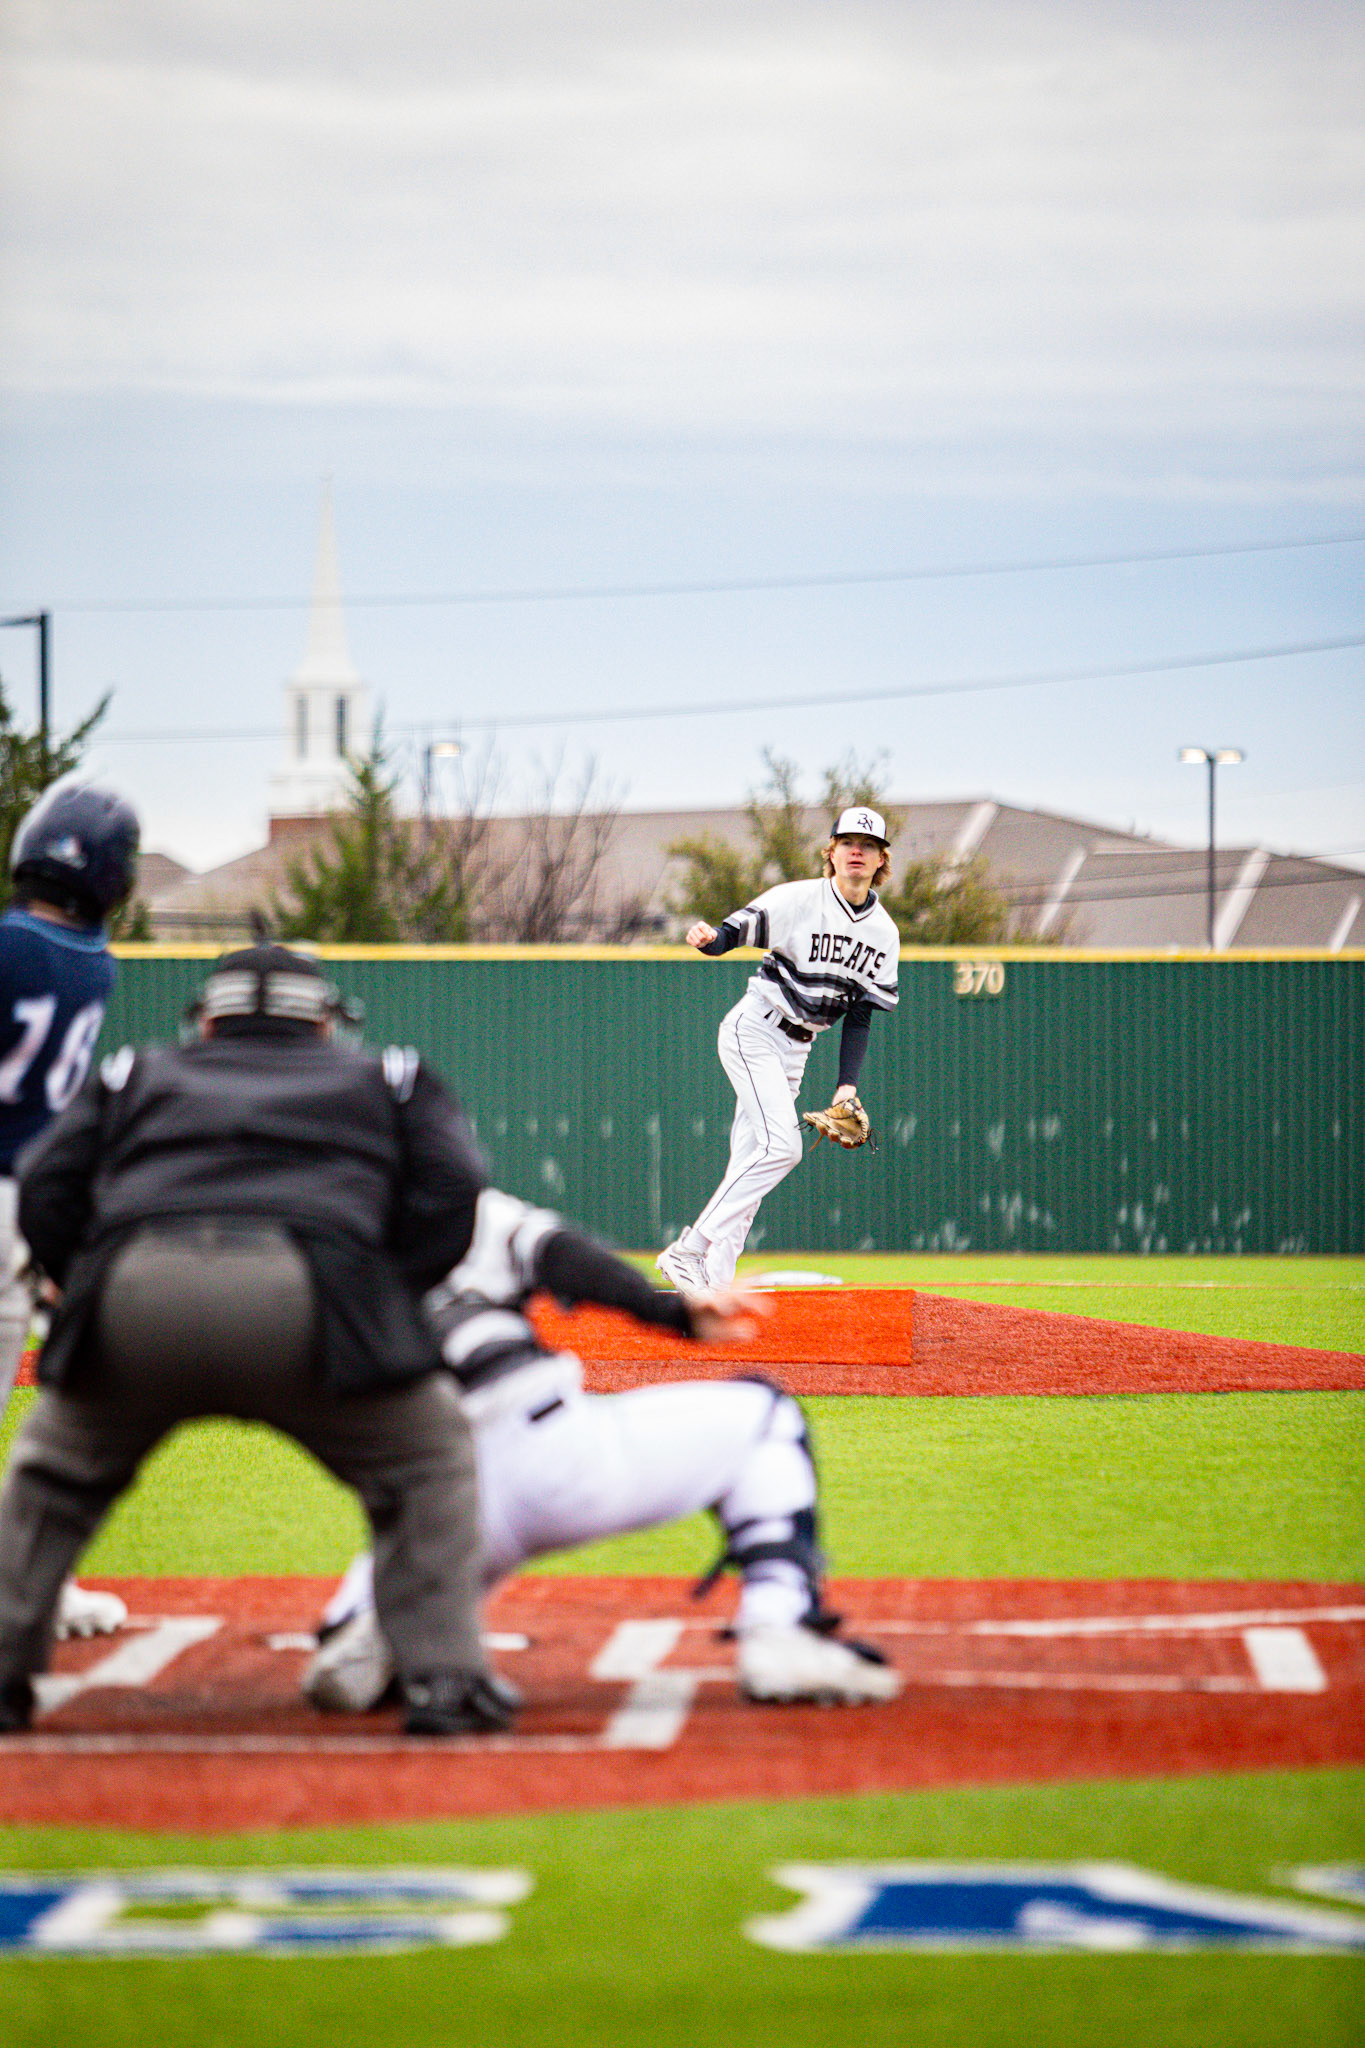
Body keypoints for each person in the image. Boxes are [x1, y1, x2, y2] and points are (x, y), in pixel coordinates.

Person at [0, 944, 514, 1738]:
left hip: (140, 1292)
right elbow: (454, 1187)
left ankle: (4, 1669)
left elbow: (44, 1184)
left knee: (52, 1480)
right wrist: (382, 1293)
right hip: (314, 1295)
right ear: (323, 1024)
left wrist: (92, 1284)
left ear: (208, 1022)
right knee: (430, 1461)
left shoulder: (132, 1072)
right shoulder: (391, 1076)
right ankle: (444, 1678)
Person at [303, 1184, 901, 1711]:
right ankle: (781, 1626)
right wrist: (673, 1310)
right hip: (550, 1447)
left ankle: (367, 1617)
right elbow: (561, 1255)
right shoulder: (451, 1204)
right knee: (766, 1416)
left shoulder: (308, 1244)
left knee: (412, 1527)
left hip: (444, 1500)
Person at [0, 783, 141, 1642]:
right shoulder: (94, 963)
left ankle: (32, 1583)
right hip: (25, 1201)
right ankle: (34, 1582)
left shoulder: (15, 944)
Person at [655, 807, 900, 1293]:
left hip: (797, 1050)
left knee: (752, 1165)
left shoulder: (884, 933)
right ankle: (688, 1251)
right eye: (847, 842)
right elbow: (732, 934)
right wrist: (709, 940)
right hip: (756, 1030)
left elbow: (861, 1013)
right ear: (831, 852)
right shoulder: (800, 899)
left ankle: (711, 1285)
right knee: (782, 1148)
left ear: (880, 860)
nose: (857, 851)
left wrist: (846, 1086)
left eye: (868, 845)